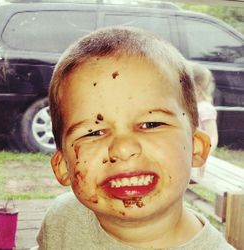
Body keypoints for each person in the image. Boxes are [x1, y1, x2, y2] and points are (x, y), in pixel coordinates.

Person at [35, 27, 235, 249]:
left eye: (151, 124)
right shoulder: (63, 219)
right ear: (63, 166)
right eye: (93, 132)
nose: (123, 148)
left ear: (196, 148)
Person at [191, 62, 218, 178]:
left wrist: (205, 156)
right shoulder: (189, 106)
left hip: (198, 154)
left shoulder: (204, 108)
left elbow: (213, 136)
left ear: (196, 89)